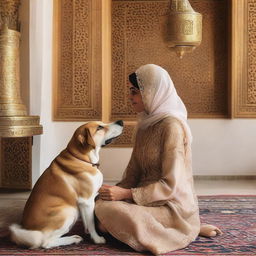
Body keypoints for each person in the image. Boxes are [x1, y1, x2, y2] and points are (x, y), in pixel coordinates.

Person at [95, 64, 221, 255]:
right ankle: (167, 229)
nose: (130, 97)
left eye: (134, 91)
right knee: (97, 204)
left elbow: (170, 186)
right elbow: (133, 172)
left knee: (109, 218)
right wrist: (111, 193)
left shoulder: (172, 127)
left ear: (153, 92)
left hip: (169, 205)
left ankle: (186, 229)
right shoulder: (144, 125)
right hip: (142, 200)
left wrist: (126, 195)